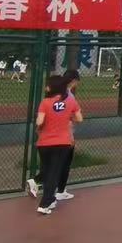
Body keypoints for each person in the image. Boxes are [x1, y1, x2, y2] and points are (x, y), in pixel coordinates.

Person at [33, 73, 82, 216]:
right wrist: (67, 117)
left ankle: (49, 199)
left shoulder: (45, 102)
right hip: (62, 142)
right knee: (54, 173)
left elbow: (39, 122)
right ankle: (45, 203)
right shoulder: (71, 102)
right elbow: (79, 118)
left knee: (47, 170)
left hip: (44, 143)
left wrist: (43, 125)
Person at [53, 69, 82, 200]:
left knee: (57, 162)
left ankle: (56, 189)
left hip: (54, 131)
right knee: (64, 162)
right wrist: (70, 136)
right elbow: (70, 117)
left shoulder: (56, 92)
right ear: (73, 81)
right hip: (64, 132)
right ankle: (59, 190)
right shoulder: (68, 96)